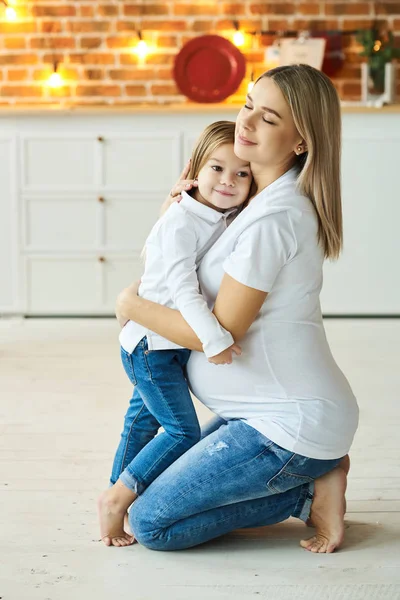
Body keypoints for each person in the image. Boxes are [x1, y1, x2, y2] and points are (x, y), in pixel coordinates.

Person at [101, 64, 359, 553]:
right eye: (247, 106)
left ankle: (309, 492)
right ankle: (310, 476)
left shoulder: (275, 218)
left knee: (152, 524)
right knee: (143, 492)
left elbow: (221, 330)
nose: (246, 123)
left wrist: (129, 304)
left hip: (287, 424)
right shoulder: (245, 199)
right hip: (254, 414)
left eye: (268, 118)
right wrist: (177, 212)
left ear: (300, 141)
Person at [99, 121, 253, 546]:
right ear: (194, 168)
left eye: (242, 173)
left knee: (141, 422)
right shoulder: (184, 220)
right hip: (151, 346)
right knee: (182, 430)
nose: (228, 181)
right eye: (217, 168)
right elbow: (184, 288)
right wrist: (214, 339)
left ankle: (118, 494)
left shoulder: (216, 215)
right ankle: (116, 500)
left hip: (161, 344)